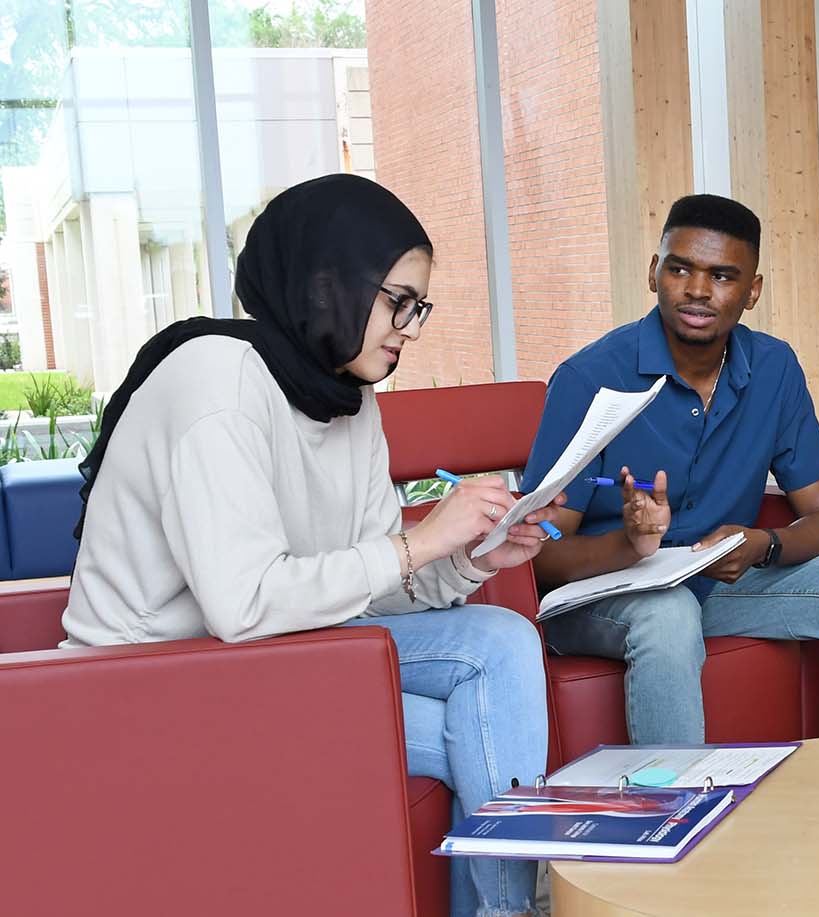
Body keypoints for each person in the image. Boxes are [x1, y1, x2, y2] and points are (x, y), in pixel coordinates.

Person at [61, 174, 558, 917]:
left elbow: (362, 576)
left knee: (504, 643)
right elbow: (245, 602)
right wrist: (420, 541)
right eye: (397, 301)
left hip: (279, 650)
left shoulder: (348, 397)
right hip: (154, 679)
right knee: (482, 727)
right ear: (330, 283)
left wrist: (469, 556)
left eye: (417, 307)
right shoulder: (216, 385)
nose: (408, 329)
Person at [526, 193, 819, 744]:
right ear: (653, 272)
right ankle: (679, 819)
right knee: (668, 614)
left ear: (751, 291)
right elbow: (539, 555)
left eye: (723, 276)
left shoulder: (774, 368)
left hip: (715, 586)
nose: (697, 291)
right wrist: (632, 545)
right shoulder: (589, 378)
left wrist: (763, 544)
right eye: (680, 268)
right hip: (602, 595)